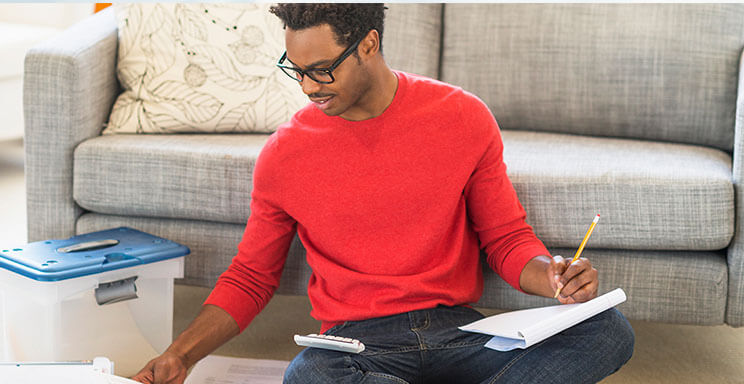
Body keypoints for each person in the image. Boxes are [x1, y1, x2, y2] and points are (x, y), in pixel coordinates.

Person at [133, 4, 634, 384]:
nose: (308, 87)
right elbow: (249, 277)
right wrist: (182, 354)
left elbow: (505, 238)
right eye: (296, 68)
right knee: (307, 377)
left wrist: (552, 277)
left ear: (369, 45)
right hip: (356, 343)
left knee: (606, 330)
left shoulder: (462, 116)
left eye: (323, 69)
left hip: (460, 333)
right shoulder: (284, 154)